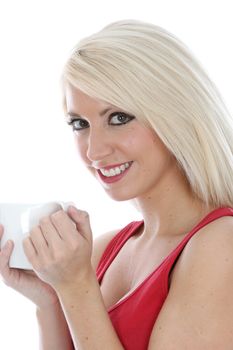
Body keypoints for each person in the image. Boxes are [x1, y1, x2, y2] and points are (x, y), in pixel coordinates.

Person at [1, 19, 233, 350]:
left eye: (119, 118)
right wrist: (50, 301)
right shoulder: (102, 251)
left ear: (176, 115)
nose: (94, 150)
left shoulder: (222, 246)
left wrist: (76, 288)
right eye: (80, 124)